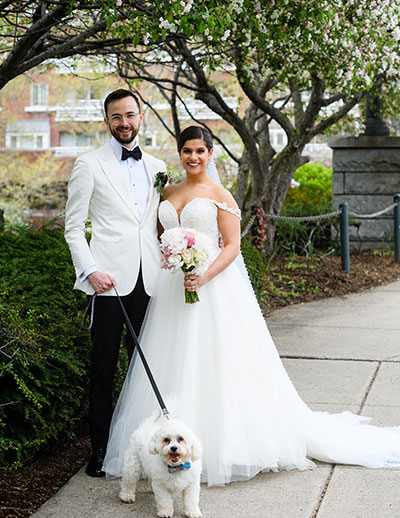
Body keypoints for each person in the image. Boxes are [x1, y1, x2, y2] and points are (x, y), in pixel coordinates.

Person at [103, 125, 400, 487]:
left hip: (210, 287)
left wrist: (204, 276)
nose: (193, 157)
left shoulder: (220, 194)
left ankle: (219, 446)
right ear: (179, 154)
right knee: (173, 355)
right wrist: (172, 259)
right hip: (172, 288)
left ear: (211, 154)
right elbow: (156, 235)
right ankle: (163, 446)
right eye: (187, 151)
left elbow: (231, 246)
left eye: (200, 151)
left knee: (215, 360)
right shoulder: (167, 191)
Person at [65, 89, 167, 477]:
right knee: (103, 369)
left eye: (130, 115)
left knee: (147, 369)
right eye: (116, 117)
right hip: (108, 282)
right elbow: (73, 228)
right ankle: (101, 451)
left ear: (141, 116)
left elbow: (157, 223)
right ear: (106, 121)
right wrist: (90, 270)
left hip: (152, 282)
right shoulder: (88, 163)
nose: (124, 123)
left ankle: (150, 449)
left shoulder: (157, 165)